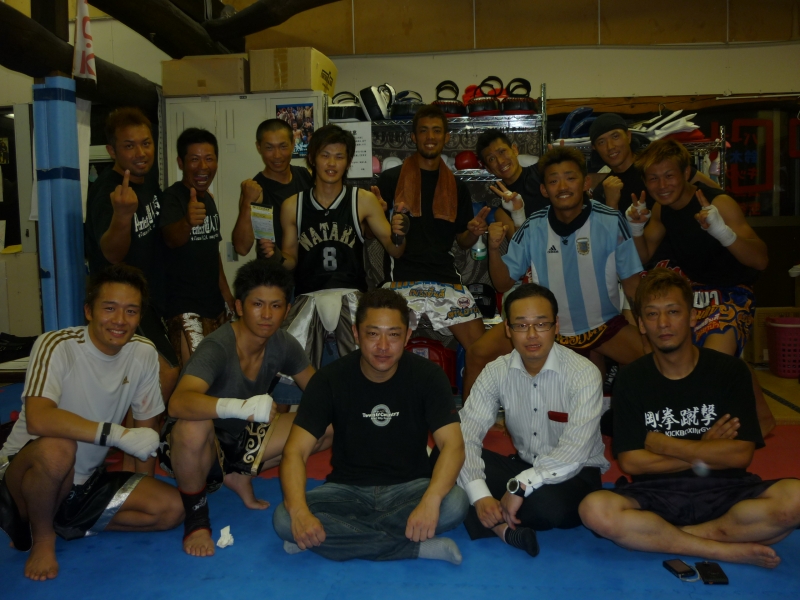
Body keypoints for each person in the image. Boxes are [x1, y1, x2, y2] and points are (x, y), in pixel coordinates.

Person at [579, 268, 800, 568]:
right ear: (641, 324)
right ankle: (721, 547)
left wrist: (665, 444)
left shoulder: (729, 371)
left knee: (796, 498)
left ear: (693, 316)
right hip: (655, 494)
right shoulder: (631, 379)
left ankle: (672, 537)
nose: (663, 323)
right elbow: (632, 462)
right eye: (652, 314)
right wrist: (706, 448)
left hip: (727, 491)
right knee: (594, 509)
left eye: (673, 311)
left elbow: (739, 455)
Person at [0, 265, 183, 581]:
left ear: (139, 317)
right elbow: (39, 419)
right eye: (109, 308)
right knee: (59, 449)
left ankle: (62, 520)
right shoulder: (57, 345)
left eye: (130, 311)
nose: (120, 320)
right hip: (25, 474)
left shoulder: (142, 353)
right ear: (88, 311)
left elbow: (145, 433)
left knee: (171, 508)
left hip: (84, 483)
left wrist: (140, 483)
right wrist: (116, 434)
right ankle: (42, 537)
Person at [273, 288, 469, 563]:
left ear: (407, 336)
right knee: (285, 517)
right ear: (356, 333)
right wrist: (299, 514)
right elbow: (295, 451)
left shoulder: (428, 376)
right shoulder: (329, 379)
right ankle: (414, 547)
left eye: (394, 334)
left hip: (410, 489)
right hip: (347, 491)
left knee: (455, 502)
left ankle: (328, 538)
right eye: (373, 334)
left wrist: (431, 500)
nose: (383, 346)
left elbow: (453, 446)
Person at [159, 260, 332, 558]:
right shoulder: (217, 347)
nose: (267, 315)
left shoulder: (284, 343)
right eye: (257, 304)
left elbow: (321, 394)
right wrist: (239, 407)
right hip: (191, 449)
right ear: (239, 307)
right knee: (193, 425)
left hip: (240, 440)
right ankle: (197, 518)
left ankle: (238, 474)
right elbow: (178, 403)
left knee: (328, 424)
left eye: (276, 306)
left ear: (287, 310)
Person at [626, 138, 775, 435]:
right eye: (653, 178)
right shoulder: (661, 209)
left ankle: (725, 425)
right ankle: (762, 418)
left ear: (686, 173)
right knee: (680, 354)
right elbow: (642, 256)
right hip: (695, 293)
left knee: (713, 363)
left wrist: (722, 232)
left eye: (669, 175)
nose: (662, 185)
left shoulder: (718, 203)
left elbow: (760, 260)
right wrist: (636, 228)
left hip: (733, 291)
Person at [458, 283, 608, 557]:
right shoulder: (496, 371)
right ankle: (501, 528)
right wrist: (480, 495)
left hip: (575, 474)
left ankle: (485, 515)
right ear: (507, 329)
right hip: (523, 466)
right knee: (445, 455)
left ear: (556, 326)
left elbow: (574, 452)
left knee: (549, 508)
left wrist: (520, 486)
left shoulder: (583, 374)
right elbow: (467, 433)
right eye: (520, 325)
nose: (531, 335)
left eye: (541, 324)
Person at [482, 147, 645, 399]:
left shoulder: (611, 220)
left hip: (604, 327)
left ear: (586, 183)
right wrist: (493, 249)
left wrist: (644, 328)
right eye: (553, 181)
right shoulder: (533, 226)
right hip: (548, 331)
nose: (562, 187)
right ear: (544, 190)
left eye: (570, 178)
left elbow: (633, 286)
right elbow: (502, 283)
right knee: (477, 354)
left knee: (656, 360)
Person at [265, 124, 408, 369]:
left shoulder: (363, 200)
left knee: (364, 369)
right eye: (325, 155)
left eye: (339, 156)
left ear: (348, 161)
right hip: (307, 296)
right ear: (312, 158)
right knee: (287, 371)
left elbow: (395, 250)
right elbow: (290, 261)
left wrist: (400, 234)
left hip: (352, 296)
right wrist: (275, 255)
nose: (332, 163)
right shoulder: (292, 205)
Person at [374, 105, 489, 351]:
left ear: (446, 137)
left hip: (444, 277)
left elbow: (463, 242)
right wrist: (377, 215)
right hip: (400, 279)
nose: (430, 137)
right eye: (423, 130)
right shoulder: (390, 180)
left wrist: (473, 232)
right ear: (413, 137)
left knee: (481, 349)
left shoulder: (457, 187)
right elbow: (368, 234)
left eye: (436, 131)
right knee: (383, 348)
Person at [84, 107, 179, 400]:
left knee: (141, 378)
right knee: (167, 371)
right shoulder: (109, 192)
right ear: (112, 151)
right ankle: (135, 429)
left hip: (150, 298)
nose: (141, 153)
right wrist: (122, 216)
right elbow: (112, 253)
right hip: (121, 302)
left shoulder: (146, 180)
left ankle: (136, 426)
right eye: (129, 146)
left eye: (146, 143)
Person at [462, 129, 550, 397]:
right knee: (477, 353)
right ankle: (471, 420)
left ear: (515, 149)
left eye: (502, 152)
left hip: (566, 286)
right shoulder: (498, 202)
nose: (500, 161)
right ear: (486, 167)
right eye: (491, 159)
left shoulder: (544, 175)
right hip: (531, 287)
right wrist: (515, 215)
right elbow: (523, 248)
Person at [161, 128, 235, 368]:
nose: (203, 166)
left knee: (221, 373)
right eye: (194, 159)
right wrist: (187, 222)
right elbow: (171, 239)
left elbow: (213, 251)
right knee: (196, 374)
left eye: (209, 158)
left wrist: (227, 296)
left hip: (214, 306)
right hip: (184, 308)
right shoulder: (172, 197)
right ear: (180, 163)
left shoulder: (208, 200)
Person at [590, 113, 719, 215]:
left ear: (628, 136)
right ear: (594, 148)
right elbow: (608, 238)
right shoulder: (603, 191)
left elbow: (717, 193)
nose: (610, 146)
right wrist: (611, 204)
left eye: (615, 136)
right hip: (645, 241)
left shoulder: (657, 165)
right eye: (601, 142)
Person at [231, 119, 313, 262]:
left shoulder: (307, 176)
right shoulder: (256, 191)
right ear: (259, 147)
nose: (277, 155)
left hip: (309, 272)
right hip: (274, 273)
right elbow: (241, 248)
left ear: (293, 144)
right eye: (269, 148)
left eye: (283, 146)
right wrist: (247, 203)